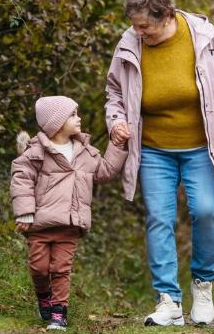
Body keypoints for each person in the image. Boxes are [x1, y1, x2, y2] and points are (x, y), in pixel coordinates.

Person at [105, 0, 214, 326]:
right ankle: (168, 301)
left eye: (144, 25)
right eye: (134, 25)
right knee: (159, 219)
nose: (138, 31)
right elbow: (114, 92)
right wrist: (116, 121)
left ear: (166, 17)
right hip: (153, 150)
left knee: (207, 210)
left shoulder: (201, 35)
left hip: (202, 147)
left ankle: (203, 288)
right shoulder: (129, 43)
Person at [10, 96, 128, 331]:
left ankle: (59, 313)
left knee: (61, 269)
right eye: (73, 115)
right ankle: (43, 295)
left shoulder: (85, 152)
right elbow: (21, 179)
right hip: (40, 224)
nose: (79, 118)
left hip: (70, 224)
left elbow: (104, 171)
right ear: (57, 122)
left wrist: (117, 145)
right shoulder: (37, 152)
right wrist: (24, 212)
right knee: (39, 268)